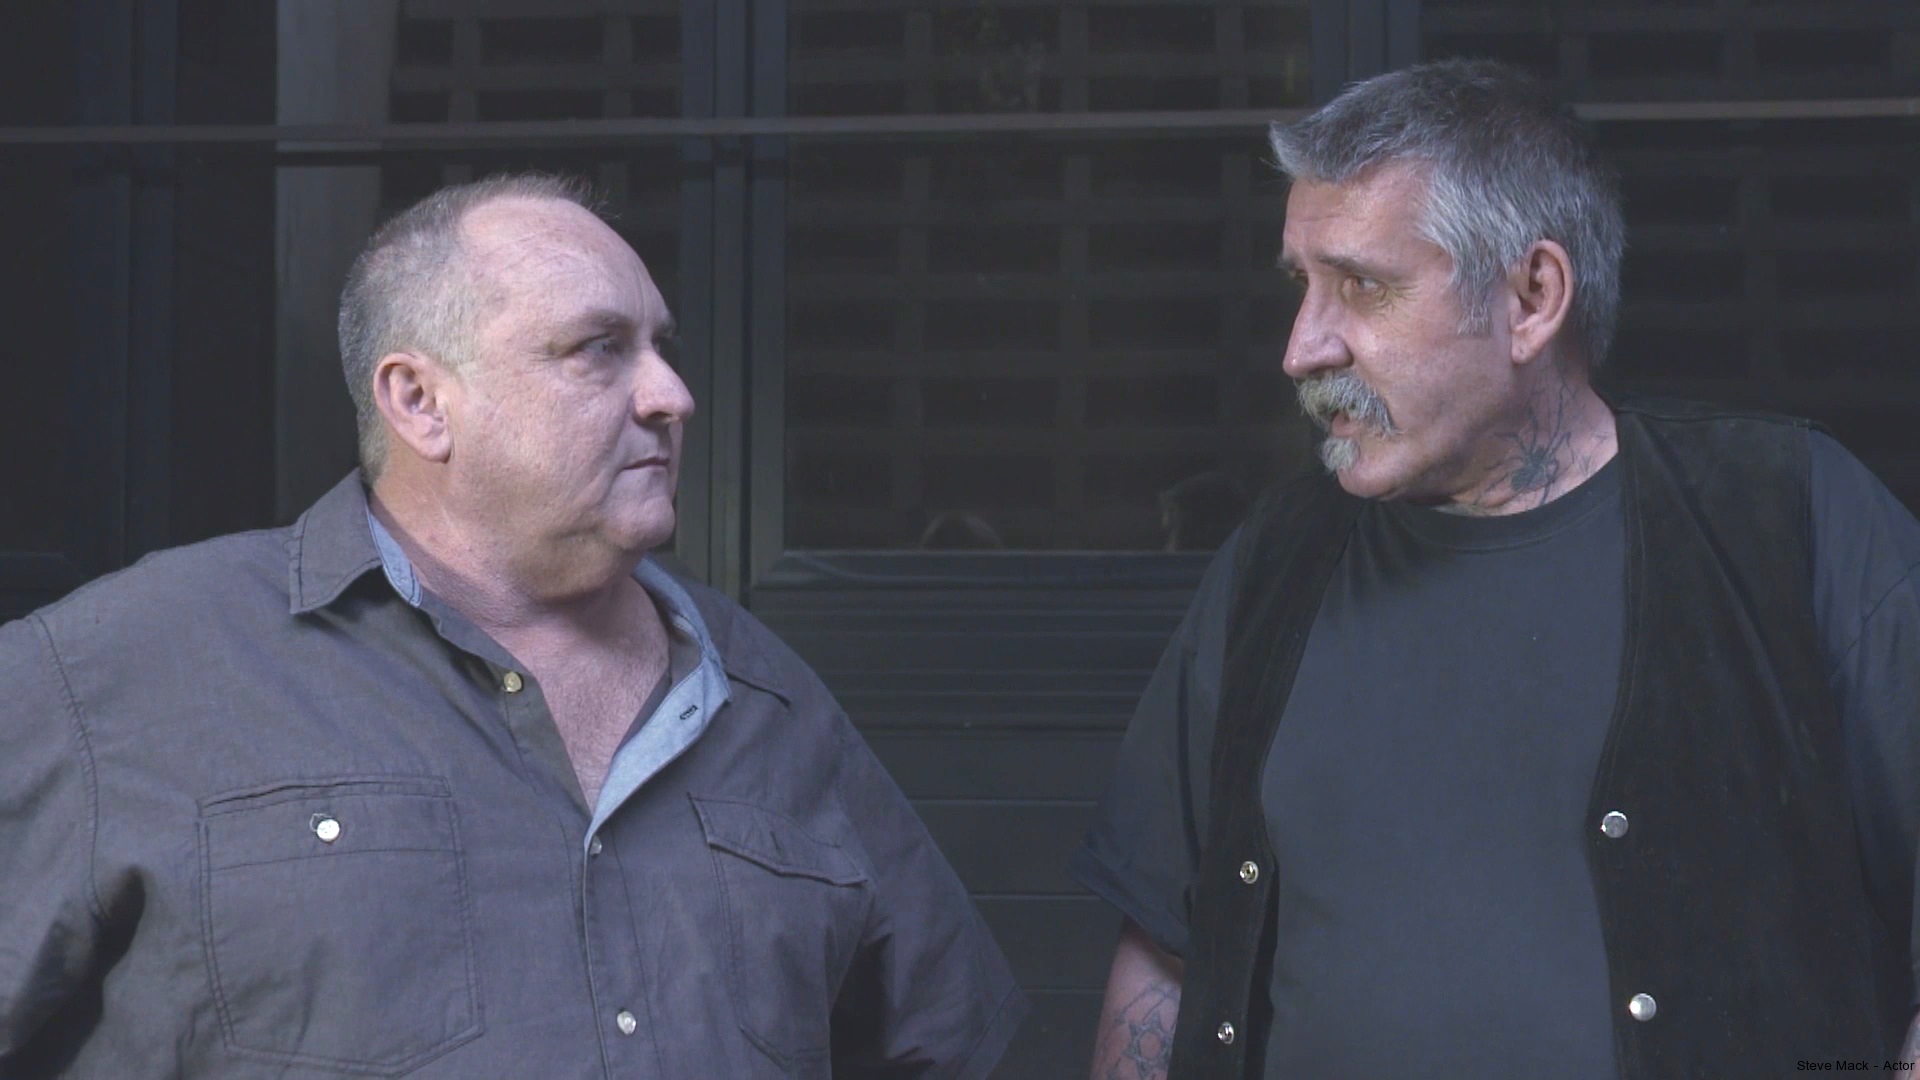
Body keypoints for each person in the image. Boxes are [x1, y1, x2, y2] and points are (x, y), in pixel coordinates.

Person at [0, 174, 1026, 1078]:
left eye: (662, 348)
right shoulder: (122, 673)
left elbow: (943, 1045)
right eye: (597, 350)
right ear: (420, 401)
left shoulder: (767, 696)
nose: (672, 396)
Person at [1070, 59, 1920, 1079]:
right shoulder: (1272, 566)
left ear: (1531, 297)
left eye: (1363, 286)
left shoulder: (1792, 520)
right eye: (1304, 286)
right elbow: (1164, 958)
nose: (1302, 348)